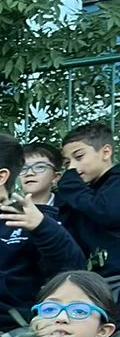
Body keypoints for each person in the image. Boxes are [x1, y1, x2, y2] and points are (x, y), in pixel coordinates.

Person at [0, 132, 83, 337]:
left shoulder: (32, 218)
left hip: (16, 334)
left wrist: (43, 227)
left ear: (0, 177)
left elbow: (71, 269)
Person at [56, 120, 120, 288]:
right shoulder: (82, 193)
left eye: (79, 157)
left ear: (105, 152)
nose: (72, 167)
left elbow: (107, 212)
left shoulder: (116, 182)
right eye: (67, 163)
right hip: (91, 281)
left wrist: (70, 185)